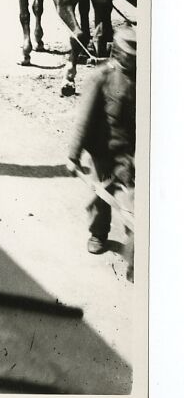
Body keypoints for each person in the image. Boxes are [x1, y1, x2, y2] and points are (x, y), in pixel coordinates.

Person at [68, 24, 136, 257]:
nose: (134, 62)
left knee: (132, 203)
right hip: (102, 152)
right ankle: (98, 234)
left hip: (128, 153)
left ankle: (136, 245)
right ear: (117, 53)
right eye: (129, 56)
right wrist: (73, 155)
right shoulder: (101, 77)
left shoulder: (142, 78)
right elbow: (83, 119)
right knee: (100, 198)